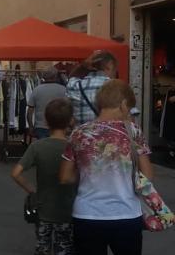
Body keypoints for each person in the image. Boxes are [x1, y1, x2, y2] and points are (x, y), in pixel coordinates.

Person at [60, 80, 153, 255]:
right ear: (124, 104)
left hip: (86, 215)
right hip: (126, 215)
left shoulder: (78, 132)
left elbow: (65, 177)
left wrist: (90, 173)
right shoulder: (133, 131)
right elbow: (147, 175)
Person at [12, 98, 77, 255]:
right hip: (68, 210)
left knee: (43, 247)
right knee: (65, 247)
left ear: (47, 122)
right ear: (70, 121)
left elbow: (16, 173)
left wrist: (32, 191)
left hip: (43, 209)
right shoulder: (74, 146)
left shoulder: (37, 147)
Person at [66, 51, 117, 126]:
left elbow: (71, 78)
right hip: (108, 136)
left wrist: (83, 66)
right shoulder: (117, 87)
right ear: (110, 65)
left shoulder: (75, 85)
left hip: (81, 136)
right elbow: (130, 115)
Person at [27, 67, 66, 140]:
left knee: (43, 149)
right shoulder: (63, 90)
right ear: (55, 76)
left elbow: (29, 111)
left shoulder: (37, 90)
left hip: (40, 126)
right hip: (58, 126)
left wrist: (31, 127)